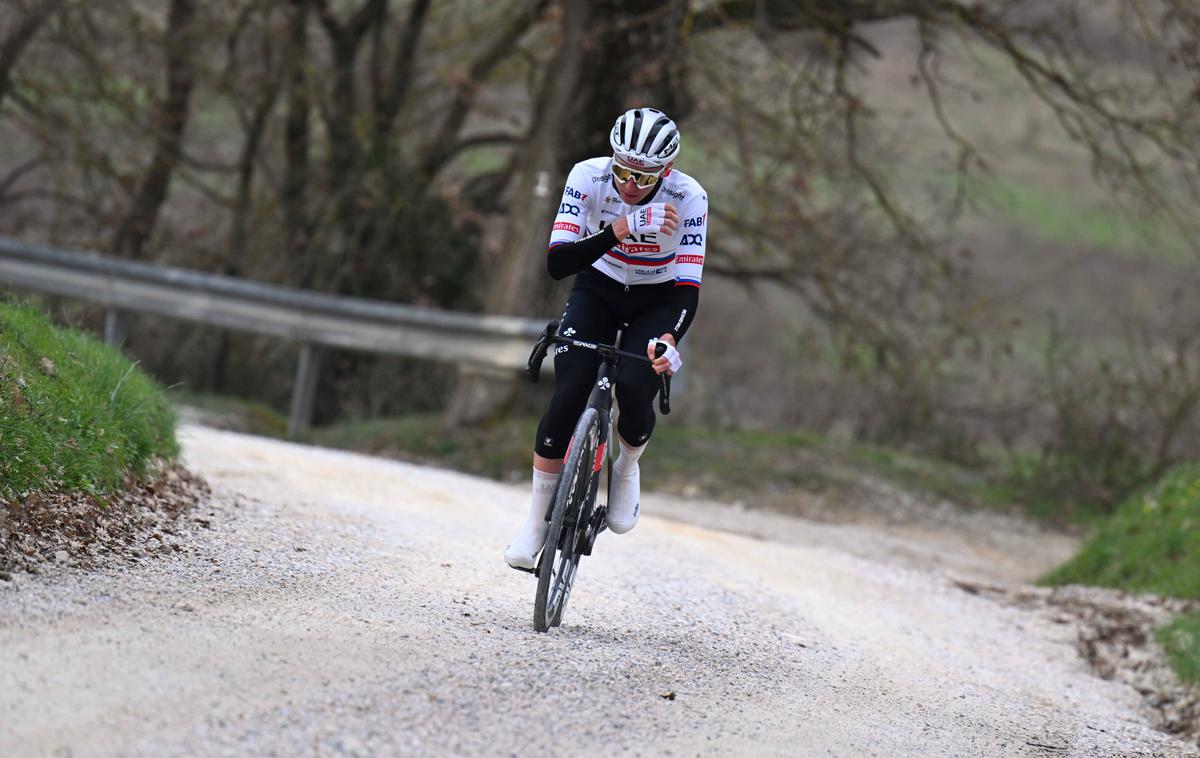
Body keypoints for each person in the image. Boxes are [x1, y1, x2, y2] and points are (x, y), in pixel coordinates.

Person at [505, 107, 708, 570]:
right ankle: (536, 521)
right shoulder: (588, 176)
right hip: (598, 286)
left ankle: (625, 467)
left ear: (667, 172)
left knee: (637, 388)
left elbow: (688, 287)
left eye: (644, 176)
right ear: (611, 160)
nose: (631, 185)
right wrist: (620, 229)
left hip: (657, 297)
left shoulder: (690, 197)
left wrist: (670, 339)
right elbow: (558, 263)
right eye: (622, 171)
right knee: (569, 390)